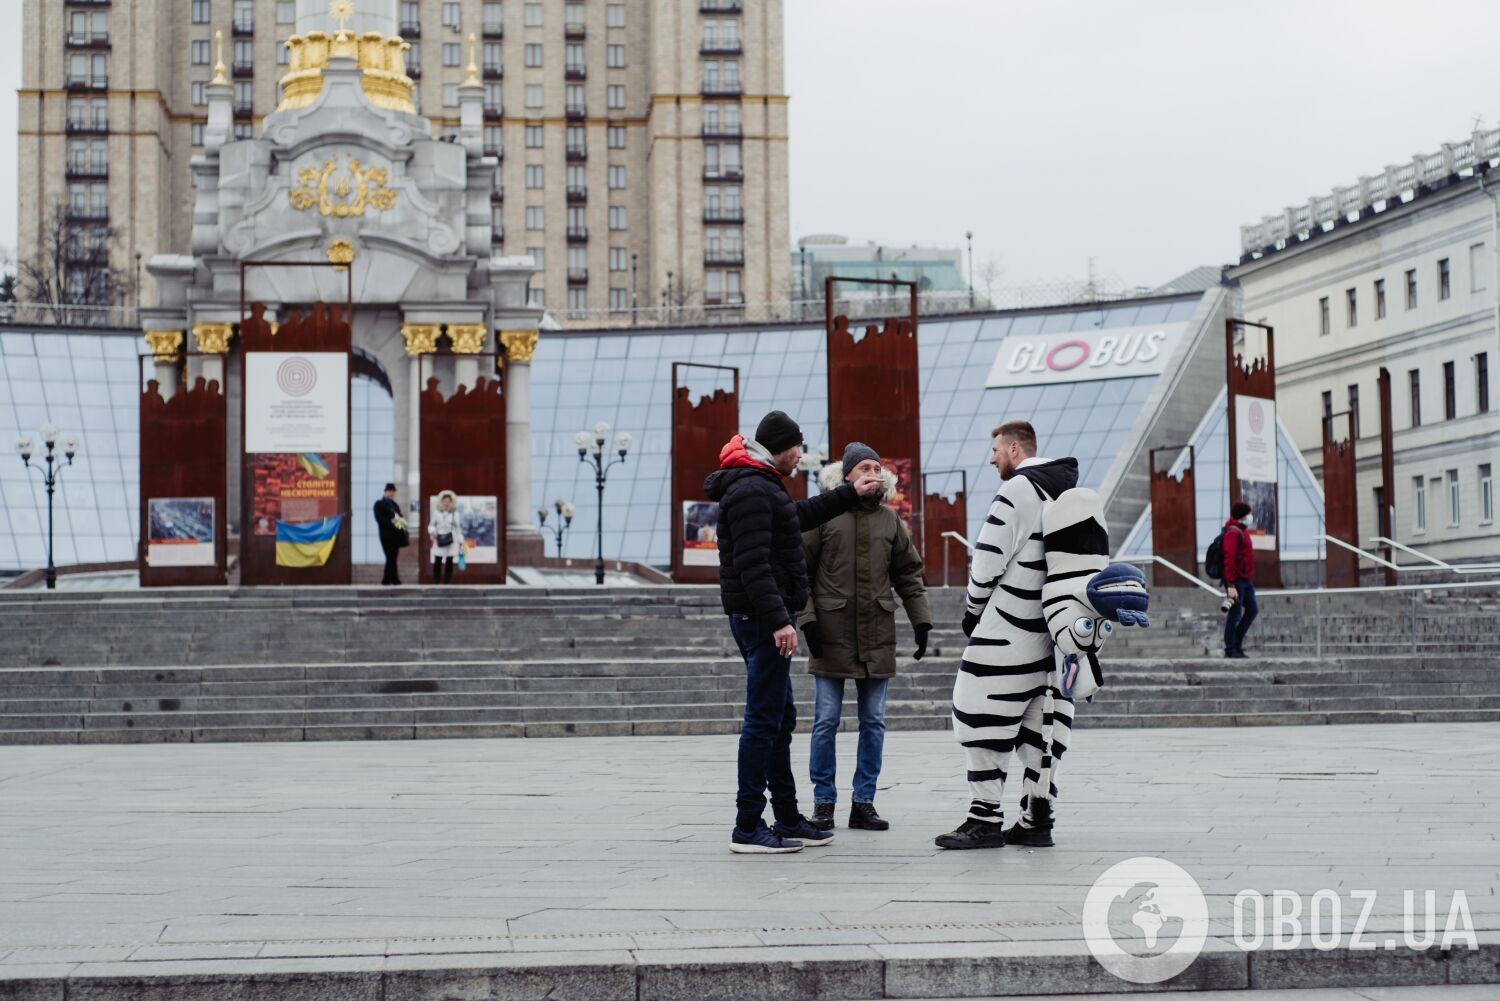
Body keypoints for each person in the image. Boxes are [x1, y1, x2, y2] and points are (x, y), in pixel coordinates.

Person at [704, 411, 884, 855]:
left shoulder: (761, 483)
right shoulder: (749, 488)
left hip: (764, 616)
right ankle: (748, 824)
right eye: (798, 447)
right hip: (761, 618)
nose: (802, 455)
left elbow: (795, 517)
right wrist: (781, 620)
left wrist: (848, 493)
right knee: (763, 721)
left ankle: (785, 817)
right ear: (781, 446)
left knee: (780, 718)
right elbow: (753, 565)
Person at [936, 420, 1079, 851]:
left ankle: (984, 818)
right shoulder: (1069, 492)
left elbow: (986, 561)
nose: (991, 458)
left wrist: (973, 611)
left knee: (979, 714)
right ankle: (1038, 817)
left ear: (1015, 449)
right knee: (1043, 725)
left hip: (1008, 630)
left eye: (996, 450)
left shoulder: (1019, 489)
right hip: (1053, 634)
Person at [799, 442, 932, 832]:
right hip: (830, 632)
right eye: (866, 469)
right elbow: (799, 574)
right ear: (847, 476)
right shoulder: (824, 516)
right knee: (825, 721)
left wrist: (921, 622)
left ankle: (863, 803)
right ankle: (823, 802)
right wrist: (807, 621)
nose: (875, 474)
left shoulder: (891, 521)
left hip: (876, 633)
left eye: (878, 468)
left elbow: (909, 575)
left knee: (873, 722)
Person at [1221, 500, 1258, 659]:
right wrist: (1230, 584)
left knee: (1252, 610)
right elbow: (1228, 560)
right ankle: (1231, 648)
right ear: (1243, 516)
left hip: (1246, 580)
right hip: (1236, 581)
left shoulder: (1242, 531)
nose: (1250, 517)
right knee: (1235, 614)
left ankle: (1237, 644)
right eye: (1248, 514)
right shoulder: (1233, 533)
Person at [428, 489, 464, 585]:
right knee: (437, 561)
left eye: (448, 501)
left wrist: (460, 541)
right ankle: (436, 582)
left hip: (451, 539)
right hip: (439, 538)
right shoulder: (436, 513)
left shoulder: (455, 514)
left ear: (451, 502)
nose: (446, 503)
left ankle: (447, 582)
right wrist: (432, 532)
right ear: (441, 502)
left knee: (449, 561)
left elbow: (458, 528)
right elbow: (431, 525)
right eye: (444, 501)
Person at [373, 483, 407, 586]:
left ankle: (387, 580)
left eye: (393, 491)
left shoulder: (395, 505)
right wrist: (393, 521)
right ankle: (393, 579)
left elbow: (400, 518)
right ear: (385, 492)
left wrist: (401, 522)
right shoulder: (379, 504)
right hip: (386, 535)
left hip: (396, 536)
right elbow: (380, 519)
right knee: (390, 556)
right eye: (389, 491)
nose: (391, 493)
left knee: (393, 557)